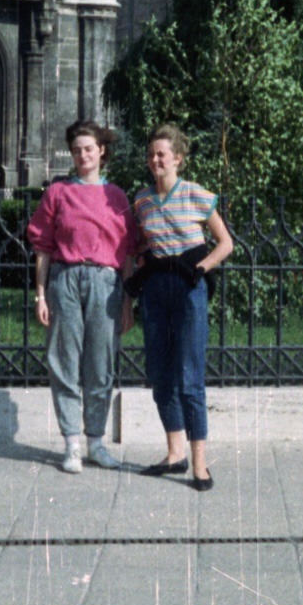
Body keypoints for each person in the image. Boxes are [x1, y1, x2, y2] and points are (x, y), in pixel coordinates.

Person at [27, 121, 137, 472]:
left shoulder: (117, 197)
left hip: (106, 284)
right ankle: (72, 444)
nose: (83, 155)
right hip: (66, 281)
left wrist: (127, 302)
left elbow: (129, 254)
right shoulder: (58, 193)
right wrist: (41, 295)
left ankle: (96, 443)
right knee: (64, 362)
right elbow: (43, 248)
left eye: (89, 148)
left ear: (101, 150)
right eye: (76, 150)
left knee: (101, 364)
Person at [131, 124, 233, 491]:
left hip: (189, 289)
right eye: (151, 154)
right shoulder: (141, 201)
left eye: (162, 154)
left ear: (178, 158)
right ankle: (175, 453)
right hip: (156, 290)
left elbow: (225, 243)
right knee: (160, 374)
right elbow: (142, 242)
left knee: (190, 377)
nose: (155, 160)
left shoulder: (196, 195)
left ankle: (200, 464)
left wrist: (201, 268)